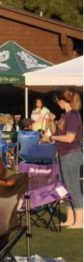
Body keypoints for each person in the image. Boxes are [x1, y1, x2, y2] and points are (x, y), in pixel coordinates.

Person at [46, 89, 82, 229]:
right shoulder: (64, 115)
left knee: (72, 187)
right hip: (62, 154)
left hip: (72, 154)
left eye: (58, 101)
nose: (57, 104)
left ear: (62, 100)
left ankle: (79, 221)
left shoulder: (73, 115)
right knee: (64, 187)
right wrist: (51, 121)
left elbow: (69, 138)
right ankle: (70, 218)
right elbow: (56, 132)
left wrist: (50, 138)